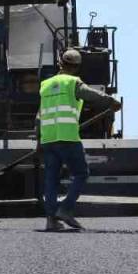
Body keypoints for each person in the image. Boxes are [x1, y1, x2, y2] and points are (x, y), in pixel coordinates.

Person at [38, 48, 120, 232]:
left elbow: (38, 117)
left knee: (50, 180)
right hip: (67, 137)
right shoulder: (72, 82)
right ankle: (65, 209)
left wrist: (38, 143)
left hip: (48, 139)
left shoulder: (45, 85)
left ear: (60, 63)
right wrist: (110, 101)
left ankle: (51, 220)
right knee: (81, 173)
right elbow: (90, 94)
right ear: (76, 67)